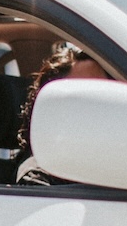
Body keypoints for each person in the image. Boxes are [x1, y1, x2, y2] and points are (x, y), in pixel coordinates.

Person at [15, 41, 111, 185]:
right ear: (53, 110)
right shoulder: (40, 174)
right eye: (84, 97)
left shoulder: (117, 163)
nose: (97, 105)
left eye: (104, 93)